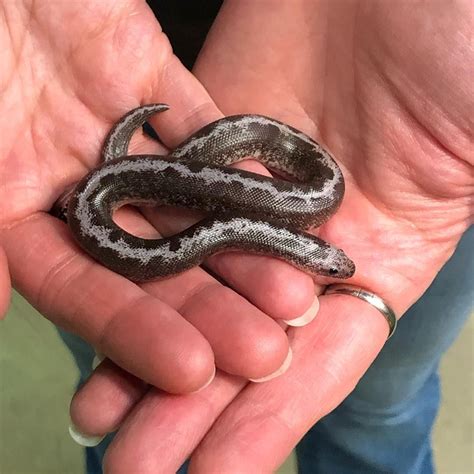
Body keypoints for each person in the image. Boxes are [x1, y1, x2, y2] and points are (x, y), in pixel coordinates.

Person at [0, 1, 472, 473]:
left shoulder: (317, 191)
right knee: (149, 371)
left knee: (381, 404)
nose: (337, 268)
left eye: (330, 263)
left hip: (229, 63)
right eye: (329, 264)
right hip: (115, 59)